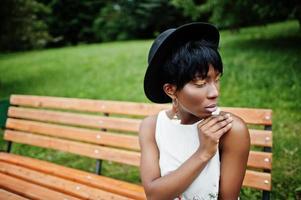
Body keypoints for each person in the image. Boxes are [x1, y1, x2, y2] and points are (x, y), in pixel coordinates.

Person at [139, 22, 250, 200]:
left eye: (217, 79)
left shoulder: (231, 130)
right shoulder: (151, 127)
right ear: (171, 90)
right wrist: (203, 152)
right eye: (200, 83)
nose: (215, 93)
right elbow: (154, 195)